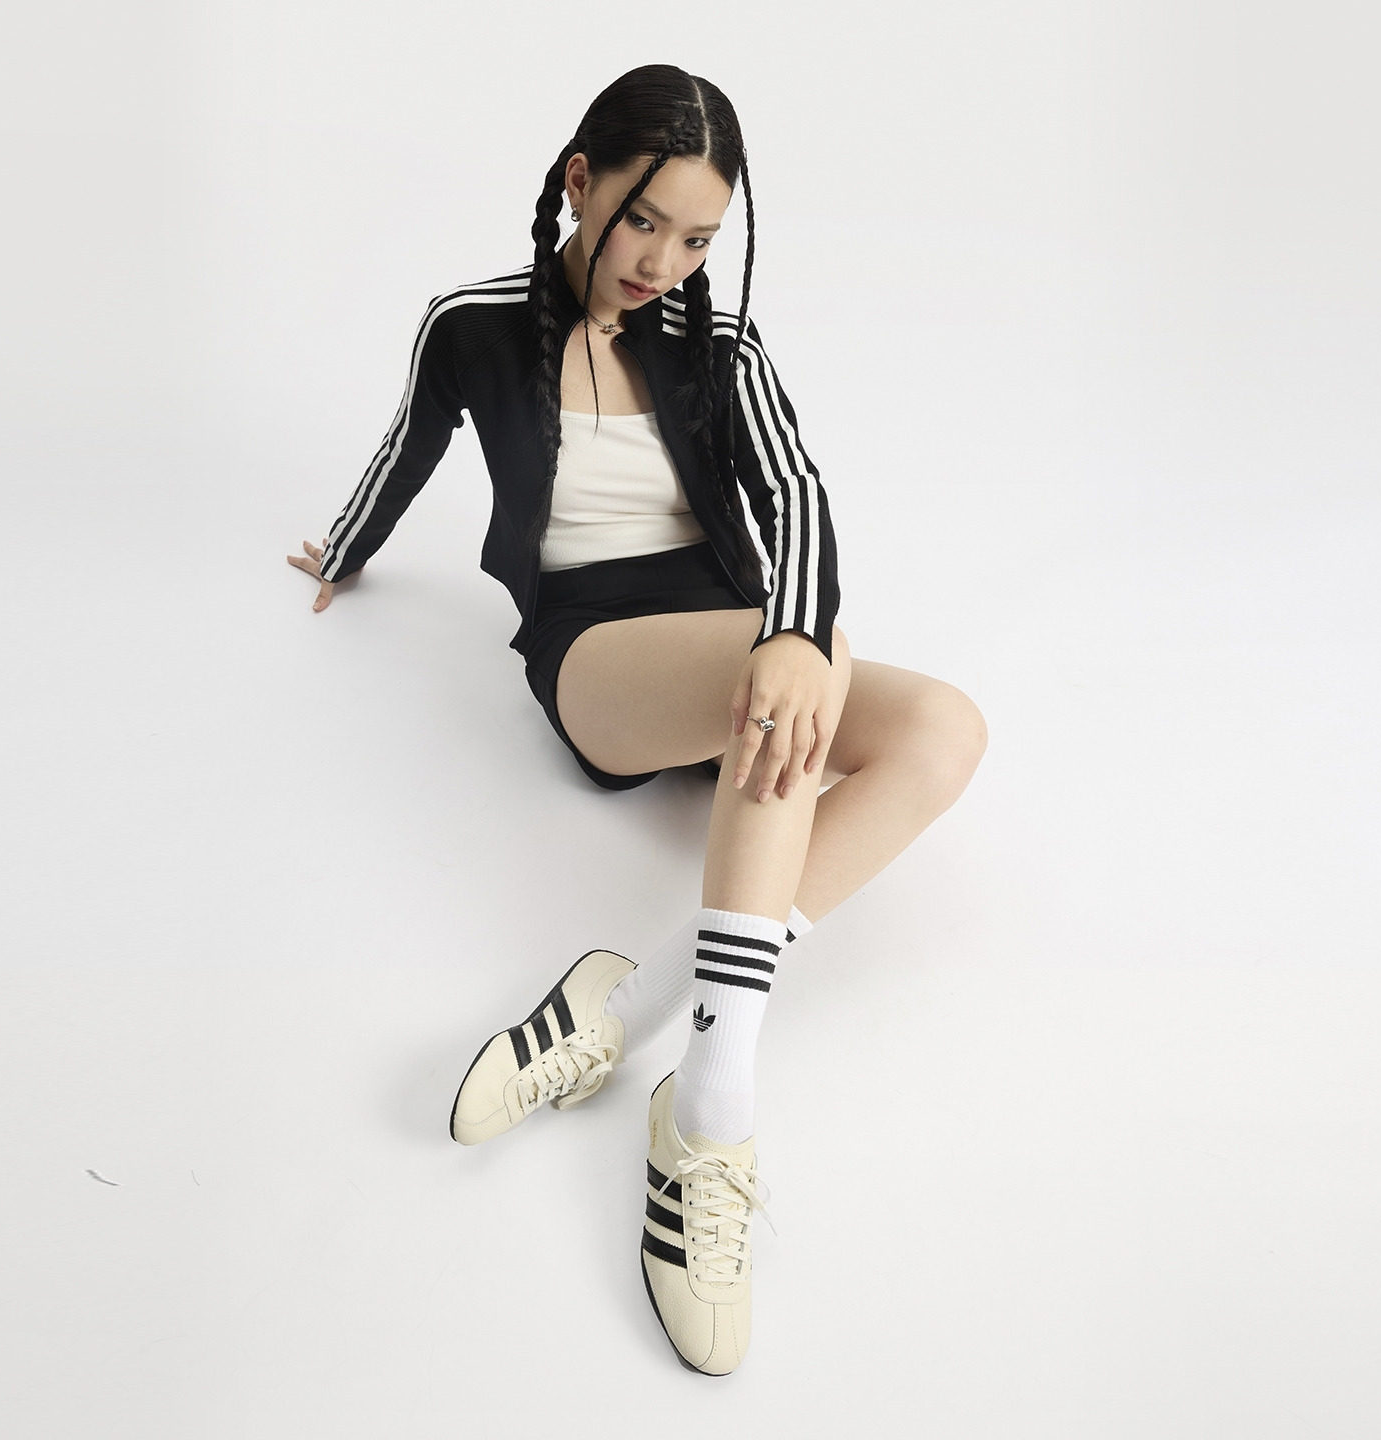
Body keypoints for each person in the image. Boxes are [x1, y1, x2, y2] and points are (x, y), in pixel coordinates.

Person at [286, 63, 988, 1375]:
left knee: (946, 728)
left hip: (738, 643)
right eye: (645, 221)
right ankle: (712, 1119)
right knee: (809, 651)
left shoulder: (718, 348)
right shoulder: (475, 326)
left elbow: (800, 497)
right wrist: (344, 549)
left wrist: (791, 634)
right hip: (600, 650)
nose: (665, 263)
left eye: (700, 239)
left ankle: (633, 1005)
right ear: (580, 184)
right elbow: (406, 446)